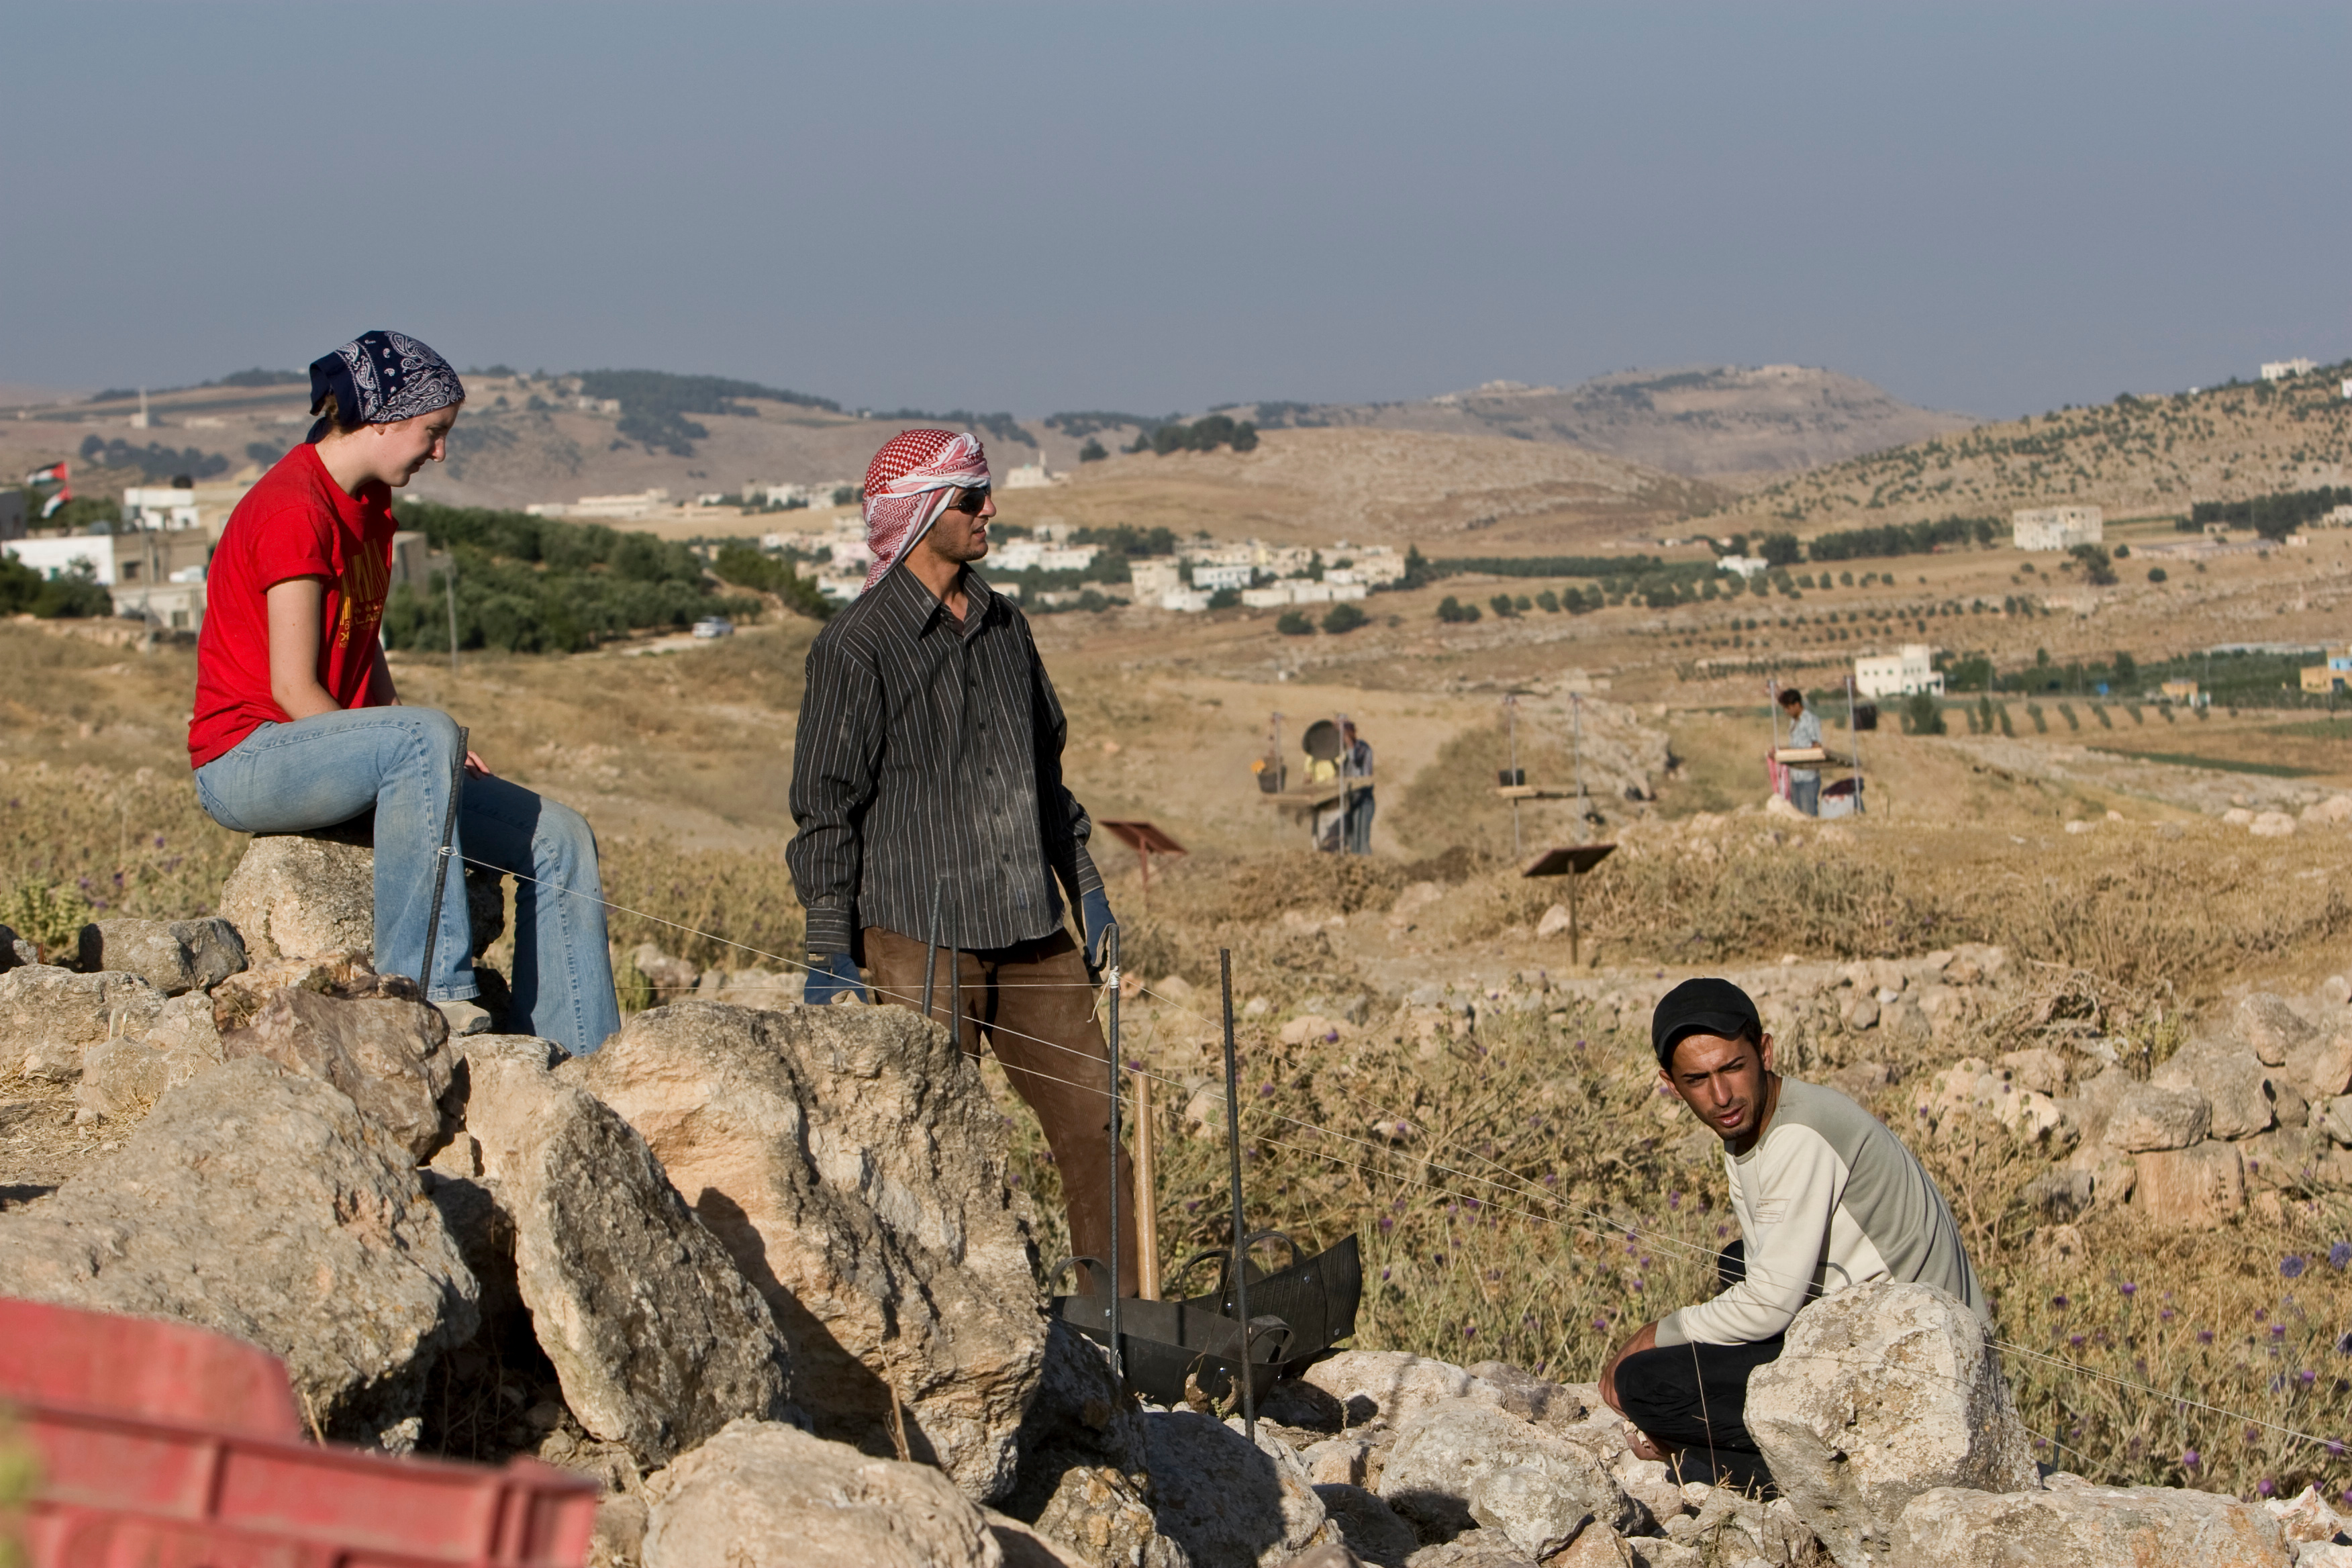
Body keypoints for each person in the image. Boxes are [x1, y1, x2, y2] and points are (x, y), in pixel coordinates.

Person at [189, 331, 620, 1055]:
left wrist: (413, 745)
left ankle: (581, 1061)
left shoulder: (369, 503)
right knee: (426, 737)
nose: (440, 452)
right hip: (246, 759)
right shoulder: (293, 508)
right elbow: (293, 687)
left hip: (344, 746)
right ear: (385, 419)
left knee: (560, 837)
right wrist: (409, 748)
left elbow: (360, 633)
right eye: (433, 432)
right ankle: (431, 994)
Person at [787, 428, 1135, 1296]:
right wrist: (829, 940)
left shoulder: (1008, 626)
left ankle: (1123, 1325)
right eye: (973, 498)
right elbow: (825, 803)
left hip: (1030, 925)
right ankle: (945, 1316)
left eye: (986, 494)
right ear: (922, 512)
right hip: (916, 930)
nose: (991, 511)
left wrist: (1085, 887)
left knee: (1095, 1123)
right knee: (929, 1137)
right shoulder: (855, 644)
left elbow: (1043, 772)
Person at [1599, 977, 1985, 1491]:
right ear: (1671, 1083)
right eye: (1697, 1079)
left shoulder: (1800, 1133)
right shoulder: (1753, 1121)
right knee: (1736, 1261)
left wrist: (1657, 1334)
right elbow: (1767, 1276)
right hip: (1866, 1322)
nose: (1721, 1095)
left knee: (1643, 1382)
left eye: (1732, 1068)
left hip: (1920, 1367)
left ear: (1765, 1052)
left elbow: (1770, 1305)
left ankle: (1801, 1474)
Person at [1777, 687, 1822, 816]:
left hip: (1808, 776)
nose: (1786, 711)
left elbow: (1816, 745)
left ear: (1797, 705)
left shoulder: (1810, 720)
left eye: (1788, 708)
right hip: (1795, 776)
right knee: (1797, 815)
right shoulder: (1794, 722)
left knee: (1808, 815)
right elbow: (1795, 746)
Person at [1340, 720, 1375, 854]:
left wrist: (1350, 745)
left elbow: (1363, 772)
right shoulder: (1341, 752)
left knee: (1362, 840)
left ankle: (1365, 863)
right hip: (1349, 800)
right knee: (1350, 840)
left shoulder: (1363, 748)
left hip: (1363, 800)